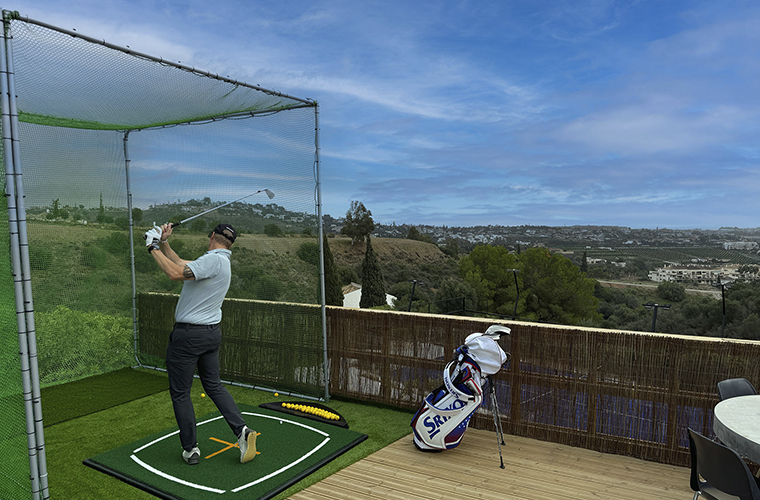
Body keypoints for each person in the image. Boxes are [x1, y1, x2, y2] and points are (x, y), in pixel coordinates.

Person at [144, 222, 258, 465]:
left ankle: (190, 449)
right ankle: (241, 432)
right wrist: (164, 242)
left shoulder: (213, 259)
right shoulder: (220, 261)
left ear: (213, 236)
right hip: (210, 334)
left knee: (181, 393)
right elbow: (183, 264)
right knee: (213, 386)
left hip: (188, 336)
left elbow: (174, 273)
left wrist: (151, 246)